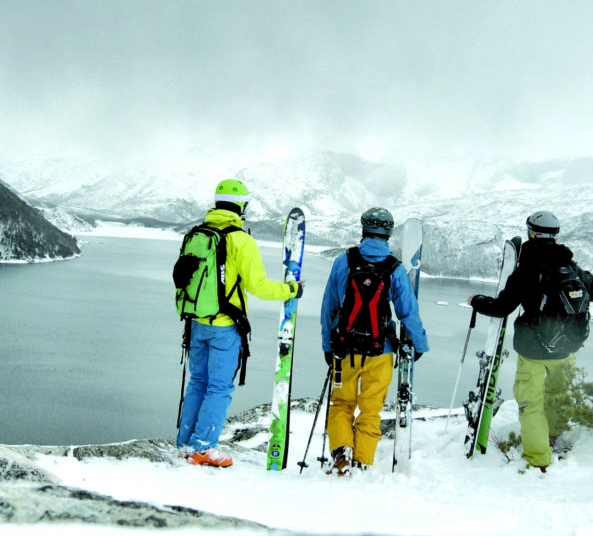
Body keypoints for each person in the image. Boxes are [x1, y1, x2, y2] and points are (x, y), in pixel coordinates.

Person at [176, 178, 303, 467]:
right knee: (219, 388)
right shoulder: (240, 239)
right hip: (224, 326)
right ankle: (203, 447)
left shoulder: (197, 234)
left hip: (195, 323)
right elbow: (258, 286)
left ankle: (185, 445)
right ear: (242, 206)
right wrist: (292, 290)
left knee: (197, 382)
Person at [468, 210, 593, 472]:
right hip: (566, 348)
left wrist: (476, 301)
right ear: (555, 235)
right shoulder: (571, 266)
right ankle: (552, 437)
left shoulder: (526, 270)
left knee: (531, 404)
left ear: (531, 232)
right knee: (558, 394)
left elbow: (502, 308)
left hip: (533, 349)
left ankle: (538, 458)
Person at [320, 207, 429, 475]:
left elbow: (329, 309)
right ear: (388, 233)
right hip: (381, 351)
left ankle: (341, 453)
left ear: (363, 229)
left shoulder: (343, 262)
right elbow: (408, 313)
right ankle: (363, 461)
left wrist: (327, 345)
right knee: (371, 410)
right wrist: (420, 345)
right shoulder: (395, 268)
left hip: (345, 349)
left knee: (341, 404)